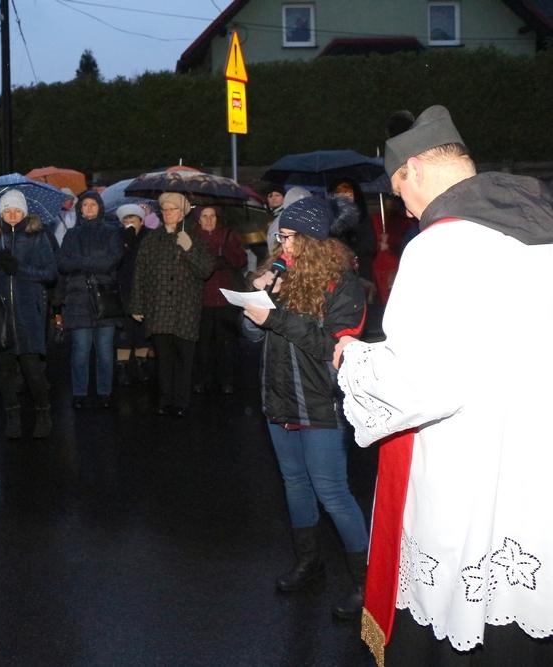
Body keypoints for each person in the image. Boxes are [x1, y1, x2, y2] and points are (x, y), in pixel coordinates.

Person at [334, 105, 553, 665]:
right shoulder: (541, 230)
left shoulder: (439, 246)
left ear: (414, 169)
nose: (404, 208)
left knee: (461, 620)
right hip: (534, 460)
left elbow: (422, 381)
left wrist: (354, 359)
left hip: (468, 469)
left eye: (398, 190)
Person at [241, 197, 369, 622]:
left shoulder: (343, 284)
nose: (284, 244)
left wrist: (275, 317)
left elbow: (333, 348)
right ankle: (309, 562)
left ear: (315, 241)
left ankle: (366, 581)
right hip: (278, 397)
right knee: (294, 484)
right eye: (281, 235)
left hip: (319, 401)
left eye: (292, 237)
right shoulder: (279, 273)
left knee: (332, 492)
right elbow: (252, 336)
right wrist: (257, 303)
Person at [0, 189, 57, 439]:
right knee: (5, 370)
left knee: (33, 369)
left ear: (25, 212)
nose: (12, 215)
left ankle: (43, 413)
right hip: (0, 315)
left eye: (17, 210)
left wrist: (19, 268)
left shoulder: (37, 236)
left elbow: (50, 273)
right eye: (7, 210)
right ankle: (13, 417)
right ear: (1, 213)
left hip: (29, 312)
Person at [128, 192, 213, 417]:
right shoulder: (151, 239)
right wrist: (137, 305)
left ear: (182, 212)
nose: (167, 213)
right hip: (159, 308)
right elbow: (140, 273)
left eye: (172, 209)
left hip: (186, 308)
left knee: (185, 358)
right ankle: (165, 400)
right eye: (164, 209)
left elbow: (206, 270)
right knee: (163, 359)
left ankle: (182, 401)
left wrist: (189, 249)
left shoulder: (195, 238)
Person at [57, 190, 124, 408]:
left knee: (105, 351)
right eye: (85, 205)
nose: (89, 208)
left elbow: (112, 261)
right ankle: (79, 392)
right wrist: (93, 262)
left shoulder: (112, 232)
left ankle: (105, 392)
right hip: (78, 300)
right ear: (80, 209)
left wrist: (80, 262)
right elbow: (63, 263)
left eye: (93, 204)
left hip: (105, 297)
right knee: (80, 350)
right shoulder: (71, 235)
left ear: (100, 207)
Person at [193, 205, 247, 395]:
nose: (209, 220)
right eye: (204, 216)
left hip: (226, 298)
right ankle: (203, 379)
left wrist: (226, 253)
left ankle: (227, 380)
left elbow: (241, 260)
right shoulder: (193, 237)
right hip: (201, 299)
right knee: (203, 343)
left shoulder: (228, 235)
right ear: (198, 219)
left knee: (227, 343)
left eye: (212, 216)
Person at [113, 203, 153, 385]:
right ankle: (122, 367)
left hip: (145, 289)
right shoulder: (117, 237)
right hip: (123, 289)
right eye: (126, 220)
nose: (129, 223)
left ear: (141, 221)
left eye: (133, 219)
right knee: (124, 332)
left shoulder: (149, 237)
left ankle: (141, 364)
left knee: (142, 330)